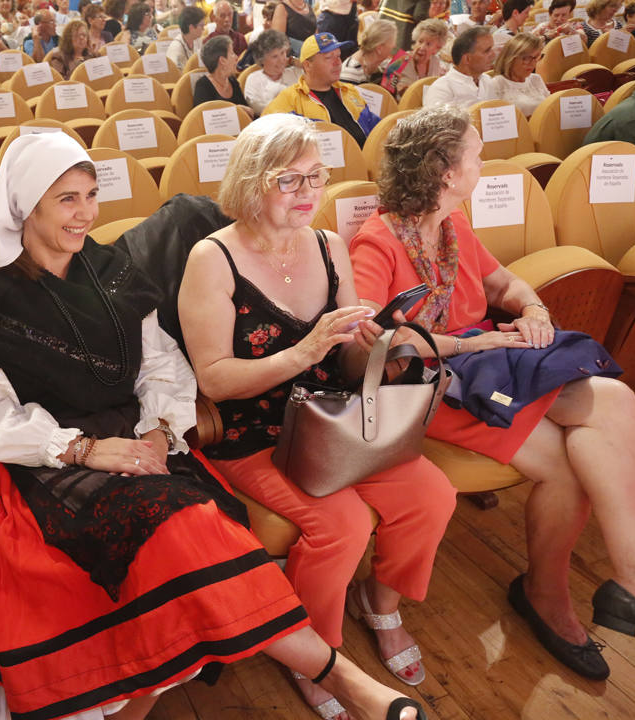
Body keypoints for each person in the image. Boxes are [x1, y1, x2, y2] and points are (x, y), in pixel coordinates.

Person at [0, 129, 430, 720]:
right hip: (48, 459)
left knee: (188, 528)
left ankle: (326, 680)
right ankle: (345, 679)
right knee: (183, 526)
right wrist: (84, 449)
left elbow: (161, 363)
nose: (86, 213)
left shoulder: (107, 269)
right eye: (67, 199)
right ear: (24, 204)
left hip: (140, 437)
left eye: (91, 195)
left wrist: (162, 430)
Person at [178, 110, 453, 720]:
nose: (308, 193)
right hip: (254, 431)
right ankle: (318, 651)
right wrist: (303, 350)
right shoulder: (212, 258)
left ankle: (381, 606)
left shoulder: (330, 245)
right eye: (290, 180)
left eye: (317, 177)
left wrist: (375, 340)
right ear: (252, 182)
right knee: (343, 525)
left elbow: (353, 366)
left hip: (333, 419)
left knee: (433, 493)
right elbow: (214, 378)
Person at [349, 105, 635, 682]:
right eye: (475, 154)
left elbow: (502, 281)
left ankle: (626, 580)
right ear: (445, 172)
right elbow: (378, 347)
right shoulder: (377, 240)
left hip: (487, 361)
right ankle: (553, 592)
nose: (484, 161)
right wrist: (470, 348)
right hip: (434, 384)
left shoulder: (452, 225)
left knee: (615, 400)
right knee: (569, 464)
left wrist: (531, 306)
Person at [270, 32, 380, 147]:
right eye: (329, 58)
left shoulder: (349, 91)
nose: (338, 63)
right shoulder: (289, 100)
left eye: (338, 56)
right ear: (307, 65)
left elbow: (378, 129)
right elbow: (269, 142)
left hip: (365, 161)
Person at [422, 25, 496, 108]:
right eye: (487, 51)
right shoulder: (442, 89)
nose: (493, 55)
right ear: (467, 59)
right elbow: (434, 121)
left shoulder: (487, 81)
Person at [379, 18, 448, 98]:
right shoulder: (400, 60)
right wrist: (399, 90)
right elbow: (384, 93)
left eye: (428, 44)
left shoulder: (435, 63)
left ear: (437, 48)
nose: (422, 47)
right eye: (420, 41)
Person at [487, 32, 549, 116]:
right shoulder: (497, 84)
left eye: (536, 57)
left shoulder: (536, 79)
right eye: (527, 58)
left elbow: (549, 108)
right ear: (511, 58)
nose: (532, 63)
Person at [245, 30, 302, 114]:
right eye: (275, 56)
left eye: (282, 53)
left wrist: (293, 61)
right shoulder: (254, 79)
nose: (281, 60)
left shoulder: (295, 72)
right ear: (262, 59)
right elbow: (259, 109)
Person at [193, 35, 253, 112]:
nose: (236, 57)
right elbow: (205, 118)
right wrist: (236, 109)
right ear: (222, 60)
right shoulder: (203, 86)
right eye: (232, 53)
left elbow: (247, 112)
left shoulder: (233, 82)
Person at [340, 18, 397, 83]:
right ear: (379, 48)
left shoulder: (381, 62)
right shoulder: (351, 72)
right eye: (392, 42)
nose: (394, 46)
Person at [168, 4, 206, 69]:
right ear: (191, 27)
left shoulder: (198, 41)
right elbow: (178, 76)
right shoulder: (176, 49)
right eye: (201, 25)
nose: (204, 29)